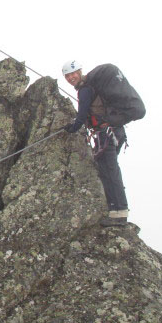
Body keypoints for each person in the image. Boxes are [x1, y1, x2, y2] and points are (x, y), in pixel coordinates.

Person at [62, 60, 129, 227]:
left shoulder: (85, 89)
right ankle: (116, 211)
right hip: (115, 132)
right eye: (68, 76)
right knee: (109, 170)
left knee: (109, 170)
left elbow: (82, 113)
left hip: (105, 134)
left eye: (73, 73)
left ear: (80, 71)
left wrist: (73, 127)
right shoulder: (93, 87)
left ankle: (119, 213)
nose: (71, 77)